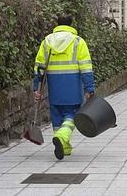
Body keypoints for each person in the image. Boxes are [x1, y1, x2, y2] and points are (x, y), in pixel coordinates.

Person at [33, 15, 95, 160]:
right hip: (72, 85)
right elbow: (86, 67)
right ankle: (62, 137)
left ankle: (65, 147)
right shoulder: (78, 42)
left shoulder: (47, 42)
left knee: (57, 115)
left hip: (54, 85)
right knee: (72, 114)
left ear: (58, 25)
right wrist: (89, 89)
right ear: (71, 25)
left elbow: (39, 67)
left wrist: (37, 87)